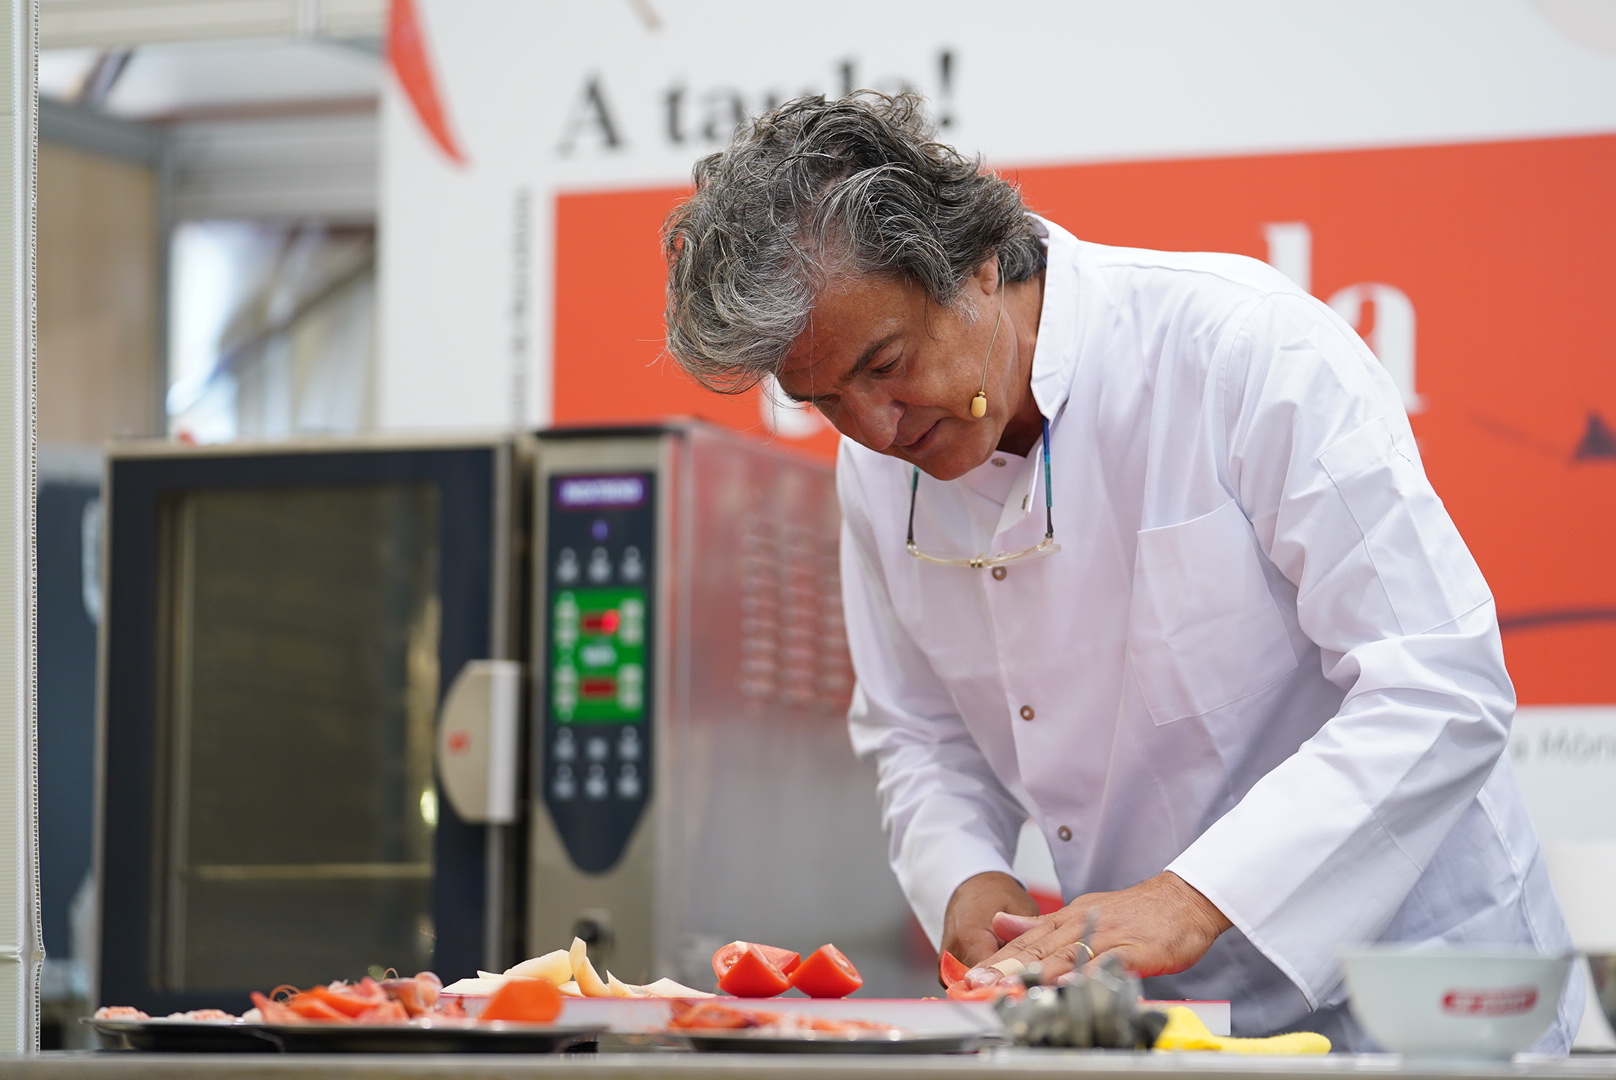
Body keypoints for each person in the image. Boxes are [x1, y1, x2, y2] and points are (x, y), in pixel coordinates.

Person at [661, 92, 1579, 1049]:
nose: (877, 429)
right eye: (824, 401)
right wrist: (969, 880)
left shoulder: (1239, 350)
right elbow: (917, 732)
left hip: (1419, 998)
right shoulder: (878, 468)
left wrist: (1192, 899)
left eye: (888, 361)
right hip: (1163, 1029)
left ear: (975, 261)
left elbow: (1438, 682)